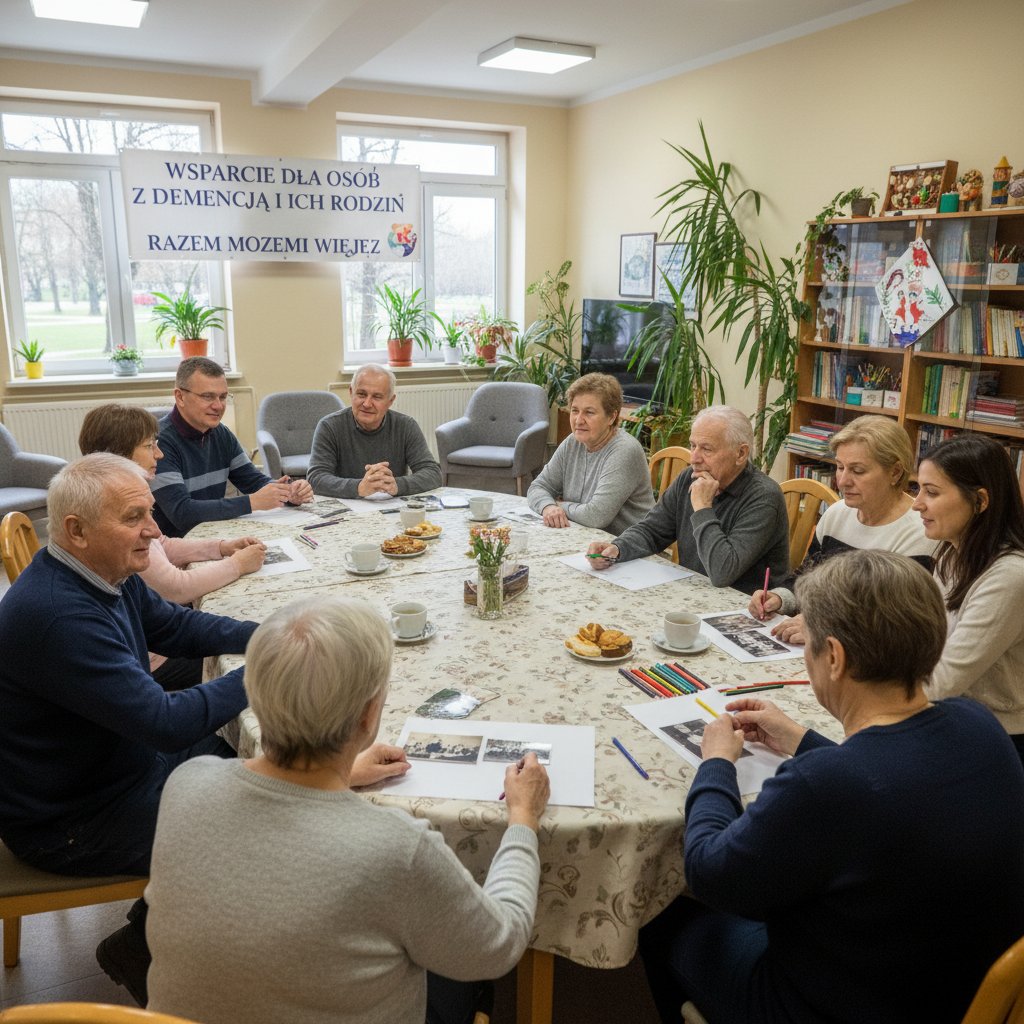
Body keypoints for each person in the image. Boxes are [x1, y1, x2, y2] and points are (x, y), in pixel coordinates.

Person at [639, 550, 1024, 1024]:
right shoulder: (979, 725)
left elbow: (709, 872)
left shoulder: (825, 785)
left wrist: (716, 764)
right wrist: (799, 738)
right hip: (958, 990)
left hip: (840, 1006)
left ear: (835, 657)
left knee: (662, 915)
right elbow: (886, 777)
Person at [146, 595, 550, 1024]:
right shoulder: (397, 847)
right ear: (368, 716)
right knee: (459, 970)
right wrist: (523, 818)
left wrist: (343, 773)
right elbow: (501, 944)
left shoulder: (187, 783)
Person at [0, 453, 261, 1006]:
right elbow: (165, 723)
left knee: (255, 767)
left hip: (115, 769)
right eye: (134, 517)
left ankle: (150, 933)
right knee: (259, 818)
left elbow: (177, 626)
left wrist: (268, 633)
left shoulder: (103, 571)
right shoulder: (58, 616)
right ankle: (144, 947)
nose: (155, 530)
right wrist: (272, 665)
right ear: (77, 531)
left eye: (150, 512)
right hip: (71, 820)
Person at [79, 403, 267, 689]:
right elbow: (176, 588)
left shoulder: (112, 495)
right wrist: (237, 565)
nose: (160, 454)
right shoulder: (111, 513)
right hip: (151, 659)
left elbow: (162, 544)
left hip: (151, 633)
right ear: (118, 455)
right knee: (255, 661)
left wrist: (221, 547)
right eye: (149, 446)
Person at [748, 414, 934, 642]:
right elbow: (806, 579)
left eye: (858, 471)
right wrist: (779, 598)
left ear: (895, 472)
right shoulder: (836, 514)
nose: (842, 481)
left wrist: (823, 625)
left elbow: (895, 624)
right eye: (839, 467)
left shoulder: (920, 532)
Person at [587, 405, 789, 593]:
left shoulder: (764, 497)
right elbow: (653, 530)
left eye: (707, 449)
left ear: (741, 454)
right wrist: (618, 548)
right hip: (692, 593)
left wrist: (702, 508)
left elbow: (722, 573)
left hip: (743, 607)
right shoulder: (690, 477)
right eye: (693, 446)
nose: (694, 458)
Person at [914, 433, 1024, 759]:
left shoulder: (1010, 577)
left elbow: (944, 681)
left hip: (997, 740)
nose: (917, 503)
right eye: (918, 489)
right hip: (953, 718)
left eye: (931, 492)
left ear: (980, 501)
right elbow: (919, 638)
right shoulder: (951, 554)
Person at [151, 356, 313, 536]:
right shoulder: (158, 442)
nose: (218, 406)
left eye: (223, 397)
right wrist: (252, 502)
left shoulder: (221, 433)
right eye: (207, 396)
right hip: (175, 544)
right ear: (180, 397)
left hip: (214, 535)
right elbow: (182, 513)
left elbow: (253, 480)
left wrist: (290, 491)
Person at [527, 372, 653, 534]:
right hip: (584, 536)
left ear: (611, 417)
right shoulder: (573, 442)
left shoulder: (625, 450)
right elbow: (538, 487)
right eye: (575, 410)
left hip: (626, 543)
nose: (579, 420)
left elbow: (596, 516)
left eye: (589, 412)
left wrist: (559, 505)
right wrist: (548, 506)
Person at [307, 363, 442, 498]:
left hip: (392, 504)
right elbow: (316, 478)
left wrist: (397, 485)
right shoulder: (329, 426)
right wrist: (359, 487)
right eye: (361, 394)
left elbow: (433, 474)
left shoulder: (406, 426)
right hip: (345, 505)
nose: (367, 404)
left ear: (390, 401)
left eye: (377, 397)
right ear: (351, 392)